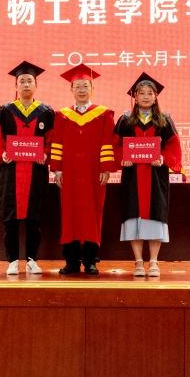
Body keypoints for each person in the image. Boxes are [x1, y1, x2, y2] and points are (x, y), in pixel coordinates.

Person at [0, 61, 55, 275]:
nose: (26, 84)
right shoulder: (4, 111)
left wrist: (46, 154)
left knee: (34, 218)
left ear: (36, 85)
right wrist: (2, 154)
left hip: (36, 172)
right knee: (11, 218)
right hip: (11, 172)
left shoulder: (46, 112)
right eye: (22, 81)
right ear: (16, 85)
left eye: (30, 81)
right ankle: (13, 261)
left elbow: (52, 140)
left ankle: (32, 259)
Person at [113, 73, 183, 277]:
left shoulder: (164, 120)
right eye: (141, 93)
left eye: (149, 93)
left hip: (156, 176)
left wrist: (162, 157)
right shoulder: (125, 119)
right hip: (132, 176)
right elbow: (115, 144)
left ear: (155, 96)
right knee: (133, 216)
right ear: (135, 96)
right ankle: (138, 261)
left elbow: (173, 146)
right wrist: (123, 158)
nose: (145, 96)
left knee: (155, 216)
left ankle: (153, 261)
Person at [51, 64, 116, 275]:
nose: (81, 90)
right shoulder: (62, 116)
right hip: (69, 173)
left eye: (85, 86)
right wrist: (57, 170)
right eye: (77, 86)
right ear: (71, 89)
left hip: (94, 173)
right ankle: (71, 261)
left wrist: (106, 169)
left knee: (93, 214)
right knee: (68, 215)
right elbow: (57, 144)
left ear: (92, 88)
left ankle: (90, 260)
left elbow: (108, 142)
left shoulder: (103, 115)